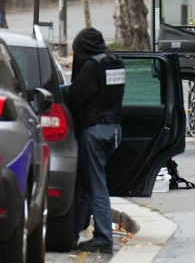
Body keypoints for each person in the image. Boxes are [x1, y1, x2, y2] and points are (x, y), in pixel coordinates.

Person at [68, 27, 126, 254]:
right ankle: (73, 233)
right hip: (114, 130)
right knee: (86, 183)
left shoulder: (93, 66)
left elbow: (76, 95)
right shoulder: (116, 62)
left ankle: (103, 238)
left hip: (94, 130)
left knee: (95, 185)